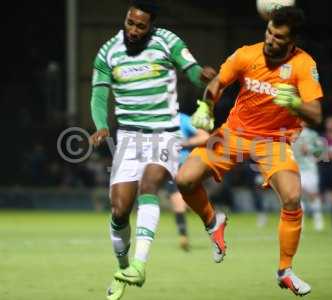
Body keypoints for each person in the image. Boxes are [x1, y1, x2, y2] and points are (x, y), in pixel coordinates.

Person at [176, 6, 323, 297]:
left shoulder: (304, 65)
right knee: (184, 179)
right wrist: (207, 106)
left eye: (279, 37)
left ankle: (285, 271)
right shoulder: (246, 54)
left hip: (275, 142)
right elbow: (217, 82)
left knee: (292, 197)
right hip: (234, 134)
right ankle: (212, 221)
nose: (270, 40)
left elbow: (316, 115)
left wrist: (295, 103)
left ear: (291, 42)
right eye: (269, 32)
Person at [89, 1, 216, 299]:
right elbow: (98, 93)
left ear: (151, 26)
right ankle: (123, 269)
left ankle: (139, 265)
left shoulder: (167, 41)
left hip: (165, 134)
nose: (133, 30)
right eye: (129, 23)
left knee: (150, 183)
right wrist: (101, 125)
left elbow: (192, 70)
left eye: (140, 26)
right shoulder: (108, 51)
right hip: (129, 139)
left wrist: (203, 76)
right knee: (119, 210)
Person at [166, 112, 211, 251]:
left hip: (184, 167)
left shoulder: (183, 119)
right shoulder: (155, 119)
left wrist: (184, 143)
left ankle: (214, 223)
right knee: (177, 201)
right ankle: (183, 237)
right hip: (167, 168)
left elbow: (205, 136)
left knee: (187, 203)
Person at [293, 122, 325, 231]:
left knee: (313, 195)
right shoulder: (290, 133)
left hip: (309, 169)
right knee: (297, 196)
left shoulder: (313, 134)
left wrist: (310, 150)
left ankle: (318, 218)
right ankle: (300, 223)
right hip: (295, 168)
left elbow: (321, 150)